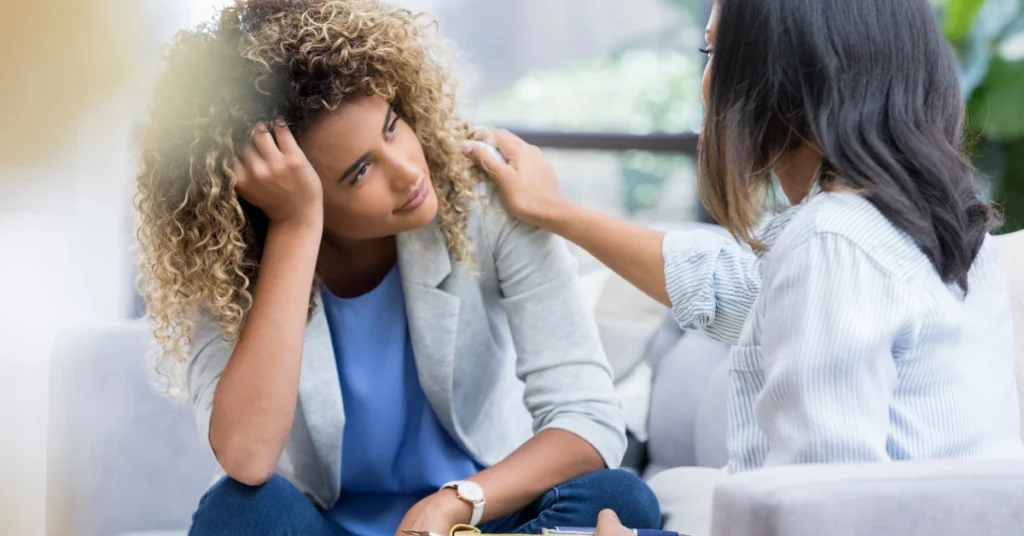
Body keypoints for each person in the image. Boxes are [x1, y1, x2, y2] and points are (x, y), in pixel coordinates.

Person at [466, 1, 1024, 532]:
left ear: (789, 74)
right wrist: (554, 212)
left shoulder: (832, 243)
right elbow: (729, 291)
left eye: (715, 55)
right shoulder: (938, 230)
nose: (707, 85)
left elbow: (822, 517)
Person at [134, 1, 661, 535]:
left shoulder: (485, 203)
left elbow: (588, 418)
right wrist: (296, 227)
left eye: (392, 125)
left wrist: (456, 502)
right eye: (360, 171)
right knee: (237, 512)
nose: (410, 171)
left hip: (479, 519)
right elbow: (246, 458)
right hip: (328, 526)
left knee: (617, 500)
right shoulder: (228, 264)